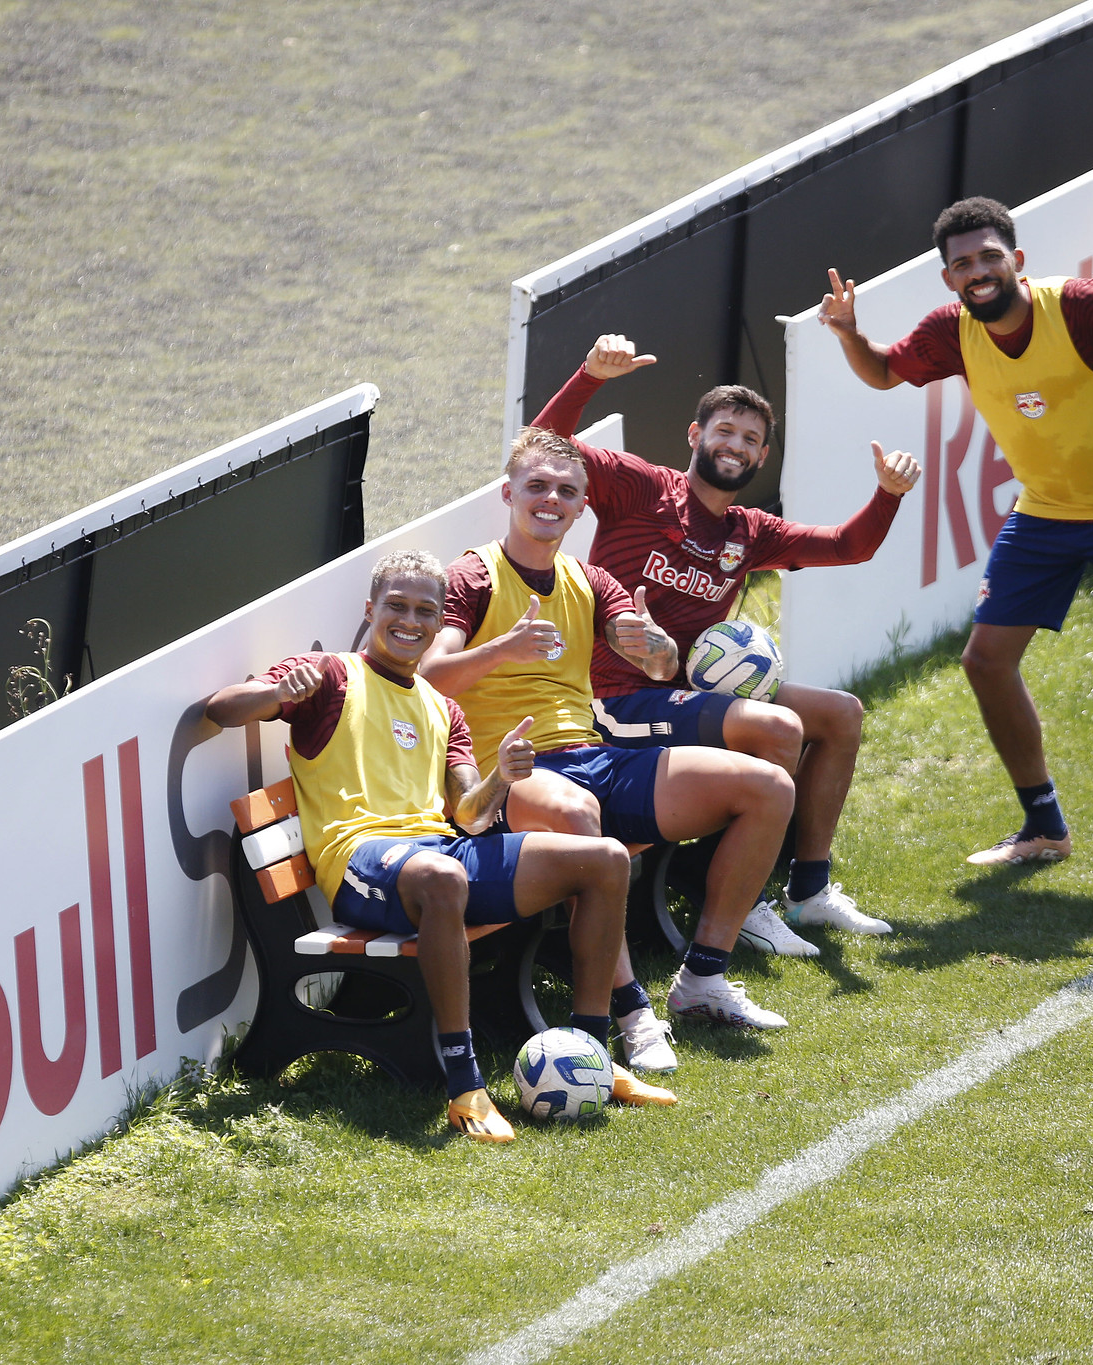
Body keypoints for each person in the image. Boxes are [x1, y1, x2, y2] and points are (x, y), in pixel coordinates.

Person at [818, 195, 1093, 898]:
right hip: (1045, 512)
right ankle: (1044, 825)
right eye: (961, 264)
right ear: (947, 279)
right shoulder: (952, 329)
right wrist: (847, 333)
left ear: (1016, 261)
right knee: (983, 660)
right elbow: (884, 371)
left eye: (988, 257)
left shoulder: (1079, 305)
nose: (977, 272)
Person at [203, 549, 667, 1144]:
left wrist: (502, 775)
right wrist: (275, 695)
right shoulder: (331, 675)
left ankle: (590, 1056)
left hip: (438, 852)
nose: (410, 621)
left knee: (602, 860)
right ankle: (464, 1082)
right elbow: (221, 710)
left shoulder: (443, 706)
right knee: (443, 878)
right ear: (370, 609)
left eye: (426, 609)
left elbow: (472, 816)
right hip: (362, 863)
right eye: (396, 605)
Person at [529, 338, 921, 950]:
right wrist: (588, 377)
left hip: (690, 689)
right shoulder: (640, 488)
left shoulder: (750, 532)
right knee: (778, 730)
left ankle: (810, 892)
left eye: (748, 439)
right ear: (695, 435)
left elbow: (850, 546)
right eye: (724, 431)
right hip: (614, 698)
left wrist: (888, 494)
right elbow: (542, 450)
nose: (734, 446)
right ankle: (746, 900)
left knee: (840, 713)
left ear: (762, 456)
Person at [419, 430, 801, 1042]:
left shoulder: (589, 578)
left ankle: (703, 979)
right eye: (537, 486)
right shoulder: (472, 576)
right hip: (509, 774)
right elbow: (429, 676)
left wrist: (657, 647)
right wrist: (505, 648)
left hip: (593, 755)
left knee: (770, 786)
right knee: (577, 815)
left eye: (566, 491)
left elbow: (655, 661)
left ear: (581, 504)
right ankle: (631, 1012)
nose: (551, 499)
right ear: (508, 493)